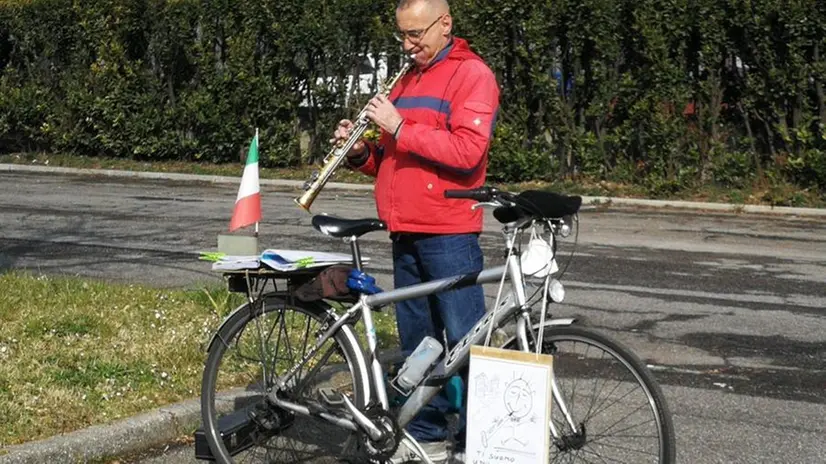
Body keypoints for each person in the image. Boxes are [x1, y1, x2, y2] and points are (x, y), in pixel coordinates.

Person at [332, 0, 500, 462]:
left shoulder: (473, 75)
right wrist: (360, 155)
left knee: (466, 341)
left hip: (448, 233)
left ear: (445, 24)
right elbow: (394, 162)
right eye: (401, 36)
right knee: (418, 345)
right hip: (404, 230)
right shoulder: (406, 78)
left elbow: (467, 151)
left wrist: (400, 124)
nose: (408, 45)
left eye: (416, 35)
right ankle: (423, 433)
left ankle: (475, 443)